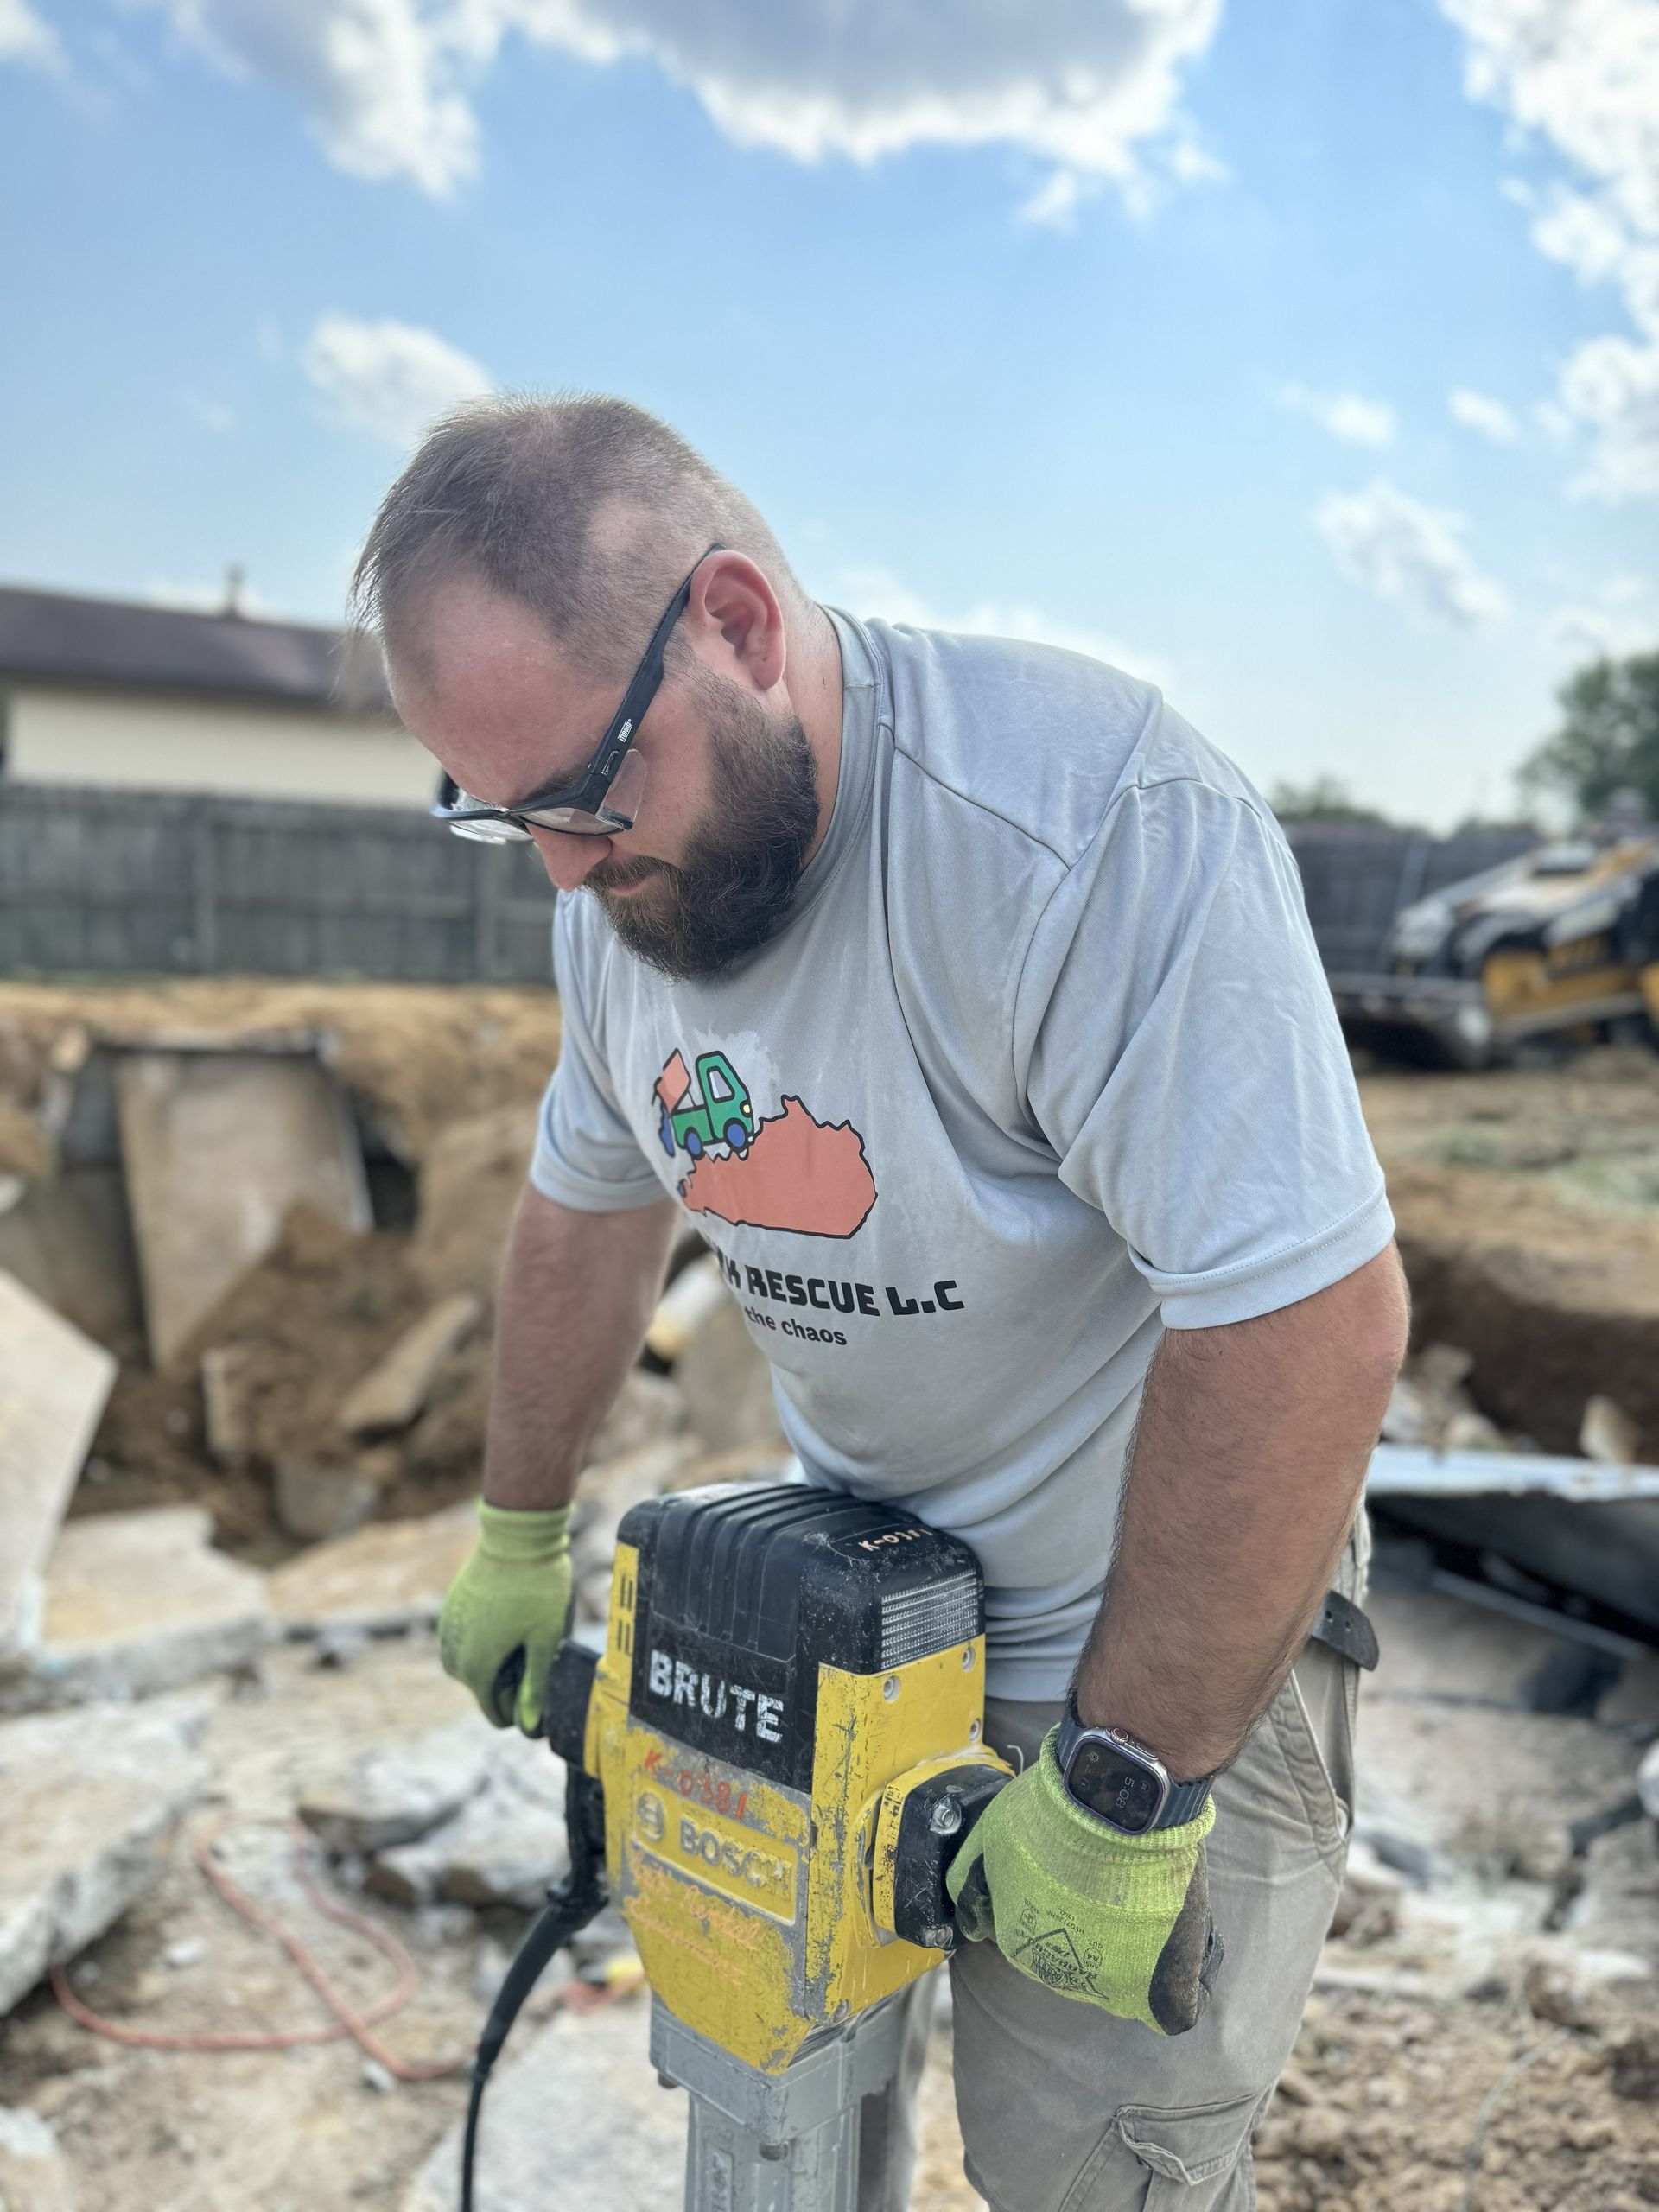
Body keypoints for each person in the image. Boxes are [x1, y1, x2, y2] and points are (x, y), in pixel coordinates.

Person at [352, 393, 1408, 2212]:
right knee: (775, 2094)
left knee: (1088, 2161)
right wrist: (520, 1527)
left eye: (588, 793)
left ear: (742, 624)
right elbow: (586, 1209)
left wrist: (1127, 1775)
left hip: (1142, 1638)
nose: (561, 866)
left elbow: (1307, 1320)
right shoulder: (614, 902)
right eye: (498, 811)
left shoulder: (1085, 831)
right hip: (852, 1610)